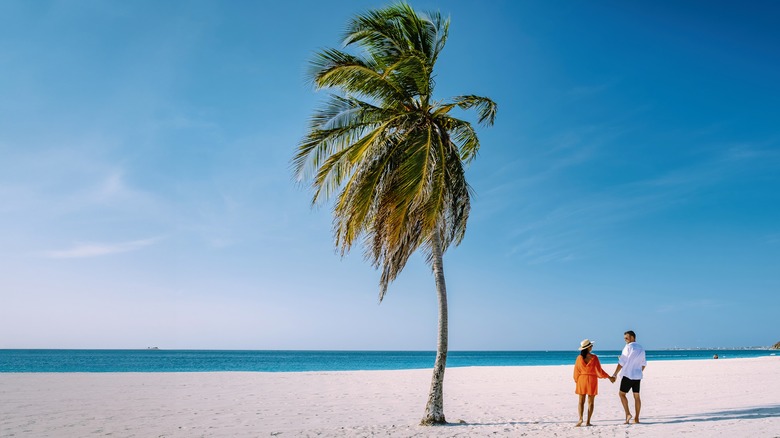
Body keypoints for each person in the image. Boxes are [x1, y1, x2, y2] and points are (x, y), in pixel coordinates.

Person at [573, 339, 615, 427]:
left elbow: (576, 371)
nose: (592, 347)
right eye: (591, 346)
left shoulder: (579, 358)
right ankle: (588, 421)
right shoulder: (594, 357)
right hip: (592, 380)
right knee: (591, 402)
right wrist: (609, 377)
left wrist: (577, 381)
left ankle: (580, 419)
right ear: (588, 347)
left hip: (582, 379)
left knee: (581, 401)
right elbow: (599, 371)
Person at [611, 330, 647, 424]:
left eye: (627, 338)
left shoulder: (628, 347)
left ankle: (628, 414)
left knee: (621, 394)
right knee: (637, 396)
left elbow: (622, 362)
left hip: (628, 375)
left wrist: (614, 374)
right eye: (624, 338)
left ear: (632, 337)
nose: (625, 340)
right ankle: (637, 418)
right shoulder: (641, 348)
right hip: (637, 376)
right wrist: (638, 371)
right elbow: (643, 364)